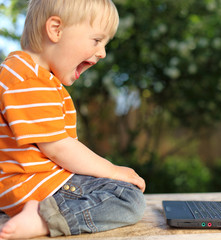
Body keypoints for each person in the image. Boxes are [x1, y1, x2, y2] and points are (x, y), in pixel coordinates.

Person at [0, 0, 146, 239]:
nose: (102, 52)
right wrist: (112, 170)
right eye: (97, 40)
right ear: (56, 30)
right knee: (127, 197)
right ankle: (45, 218)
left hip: (30, 185)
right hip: (37, 186)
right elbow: (58, 147)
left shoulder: (27, 75)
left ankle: (40, 214)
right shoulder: (29, 80)